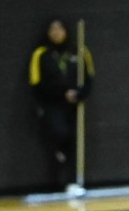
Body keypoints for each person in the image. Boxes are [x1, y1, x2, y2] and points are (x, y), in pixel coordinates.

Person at [30, 18, 95, 192]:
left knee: (74, 141)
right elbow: (36, 84)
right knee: (59, 132)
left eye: (60, 29)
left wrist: (79, 94)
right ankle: (60, 152)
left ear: (66, 31)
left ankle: (72, 183)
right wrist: (61, 93)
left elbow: (89, 79)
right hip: (52, 104)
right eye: (53, 29)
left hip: (74, 105)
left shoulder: (80, 51)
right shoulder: (41, 54)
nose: (56, 32)